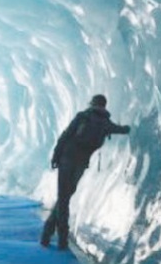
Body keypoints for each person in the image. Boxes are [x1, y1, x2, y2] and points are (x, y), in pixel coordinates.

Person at [40, 94, 130, 250]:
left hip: (67, 159)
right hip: (80, 164)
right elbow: (122, 130)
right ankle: (50, 235)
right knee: (65, 198)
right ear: (104, 105)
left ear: (93, 103)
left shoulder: (83, 116)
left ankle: (59, 239)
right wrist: (130, 128)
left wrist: (56, 155)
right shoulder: (106, 123)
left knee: (63, 198)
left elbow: (66, 135)